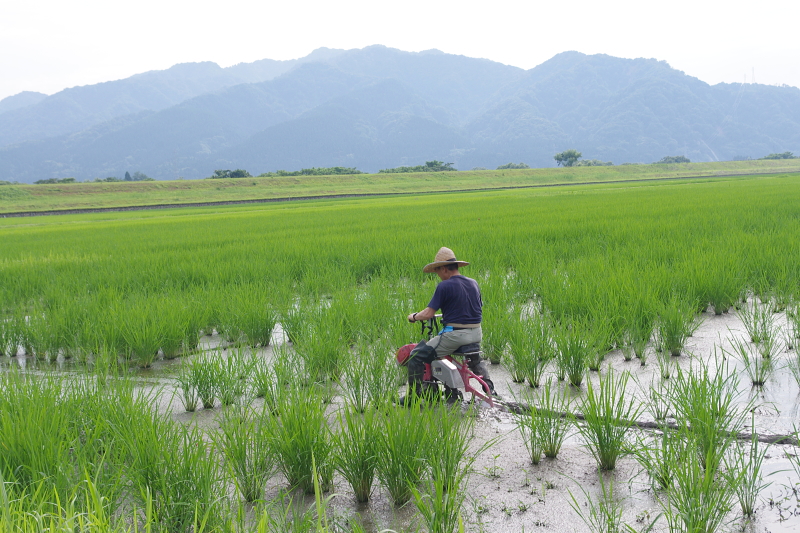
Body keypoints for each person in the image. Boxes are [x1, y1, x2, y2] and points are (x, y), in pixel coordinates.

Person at [399, 247, 495, 405]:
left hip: (455, 336)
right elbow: (471, 308)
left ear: (444, 269)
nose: (438, 276)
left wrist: (414, 317)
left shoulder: (444, 286)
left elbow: (428, 313)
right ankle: (490, 389)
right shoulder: (473, 283)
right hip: (476, 333)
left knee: (417, 356)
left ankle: (413, 397)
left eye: (437, 272)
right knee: (474, 359)